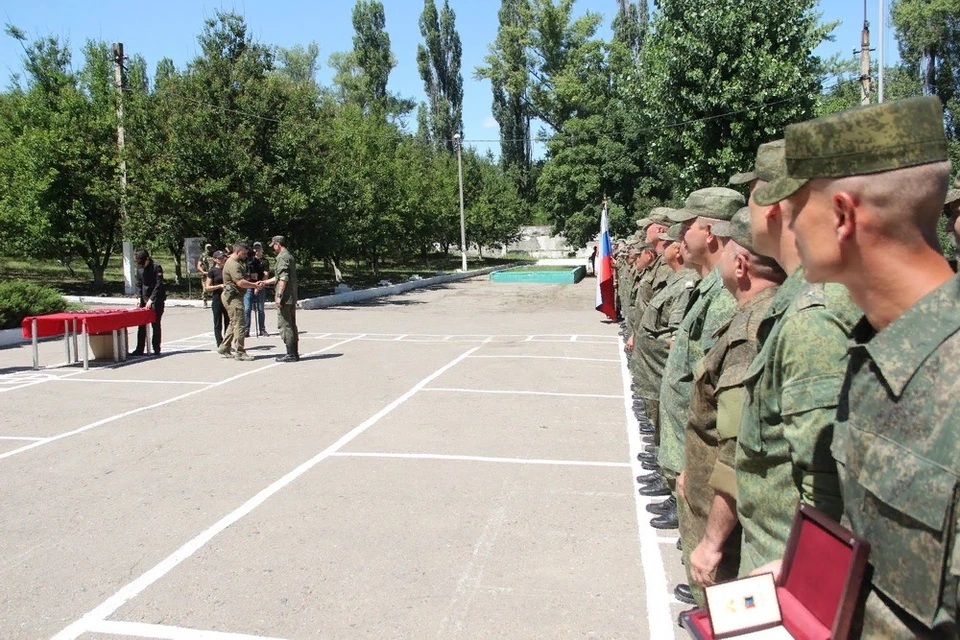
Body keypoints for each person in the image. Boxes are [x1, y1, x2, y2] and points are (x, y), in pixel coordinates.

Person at [756, 96, 957, 638]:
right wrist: (811, 579)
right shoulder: (874, 355)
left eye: (798, 205)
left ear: (843, 215)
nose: (788, 225)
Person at [735, 140, 860, 577]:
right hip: (778, 560)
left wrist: (801, 576)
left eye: (750, 194)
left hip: (789, 575)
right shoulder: (797, 299)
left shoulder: (815, 314)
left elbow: (826, 487)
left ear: (772, 206)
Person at [680, 208, 786, 605]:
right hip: (720, 506)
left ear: (740, 265)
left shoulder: (749, 331)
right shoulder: (758, 315)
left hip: (725, 523)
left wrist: (711, 542)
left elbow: (734, 449)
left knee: (722, 611)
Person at [654, 187, 742, 605]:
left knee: (716, 568)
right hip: (693, 448)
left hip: (708, 457)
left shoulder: (724, 299)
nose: (679, 235)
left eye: (688, 226)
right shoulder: (710, 290)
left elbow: (715, 391)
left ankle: (713, 606)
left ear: (710, 232)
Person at [219, 242, 262, 362]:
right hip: (232, 297)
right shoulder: (233, 264)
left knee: (234, 323)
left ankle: (224, 347)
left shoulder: (237, 263)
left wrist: (250, 278)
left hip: (235, 295)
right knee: (239, 324)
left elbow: (241, 279)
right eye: (243, 253)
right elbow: (240, 283)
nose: (245, 256)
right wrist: (254, 285)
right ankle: (240, 352)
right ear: (238, 251)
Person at [260, 235, 299, 363]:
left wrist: (278, 297)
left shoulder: (282, 257)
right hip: (291, 296)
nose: (273, 248)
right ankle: (294, 352)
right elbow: (279, 277)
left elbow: (283, 279)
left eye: (274, 245)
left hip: (285, 298)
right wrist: (265, 282)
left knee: (285, 325)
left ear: (277, 244)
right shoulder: (288, 255)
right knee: (291, 324)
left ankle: (291, 354)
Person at [131, 249, 165, 356]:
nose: (141, 265)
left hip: (156, 299)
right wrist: (138, 297)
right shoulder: (140, 268)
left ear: (147, 259)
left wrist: (151, 299)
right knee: (141, 325)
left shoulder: (156, 267)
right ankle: (139, 349)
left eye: (142, 262)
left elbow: (158, 285)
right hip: (144, 299)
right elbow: (138, 283)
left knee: (155, 324)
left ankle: (156, 348)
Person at [204, 251, 229, 348]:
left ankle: (227, 343)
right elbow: (207, 287)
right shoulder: (212, 271)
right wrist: (219, 286)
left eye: (223, 258)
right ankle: (219, 343)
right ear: (215, 259)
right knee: (218, 322)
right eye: (219, 258)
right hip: (217, 298)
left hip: (227, 298)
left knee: (228, 321)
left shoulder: (227, 269)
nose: (222, 260)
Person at [244, 241, 269, 338]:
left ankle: (262, 329)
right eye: (255, 248)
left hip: (259, 286)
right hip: (248, 286)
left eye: (259, 248)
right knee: (247, 309)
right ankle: (246, 329)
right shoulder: (248, 260)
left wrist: (258, 286)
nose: (257, 250)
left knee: (260, 309)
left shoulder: (263, 261)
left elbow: (265, 275)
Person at [197, 243, 213, 308]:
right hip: (205, 275)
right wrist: (203, 272)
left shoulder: (213, 255)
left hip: (213, 274)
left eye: (210, 247)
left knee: (214, 287)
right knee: (205, 288)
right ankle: (205, 301)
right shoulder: (203, 255)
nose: (209, 249)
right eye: (208, 247)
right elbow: (198, 265)